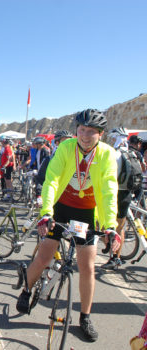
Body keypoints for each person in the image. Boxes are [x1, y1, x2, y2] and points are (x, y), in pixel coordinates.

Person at [16, 109, 121, 342]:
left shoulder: (107, 154)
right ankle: (26, 290)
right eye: (81, 130)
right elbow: (52, 179)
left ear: (100, 134)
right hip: (62, 207)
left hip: (86, 212)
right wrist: (46, 212)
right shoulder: (65, 147)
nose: (84, 135)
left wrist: (110, 226)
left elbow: (109, 190)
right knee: (44, 257)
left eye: (91, 132)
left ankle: (85, 316)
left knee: (88, 267)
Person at [100, 127, 131, 270]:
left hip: (114, 192)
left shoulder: (113, 154)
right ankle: (116, 257)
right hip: (127, 193)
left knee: (104, 225)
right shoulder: (131, 153)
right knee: (120, 228)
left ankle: (110, 250)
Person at [0, 135, 15, 200]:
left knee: (8, 182)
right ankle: (9, 195)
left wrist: (4, 166)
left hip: (8, 167)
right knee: (7, 181)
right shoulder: (6, 148)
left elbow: (10, 159)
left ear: (4, 142)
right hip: (7, 167)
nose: (0, 143)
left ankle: (11, 195)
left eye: (1, 142)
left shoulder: (8, 148)